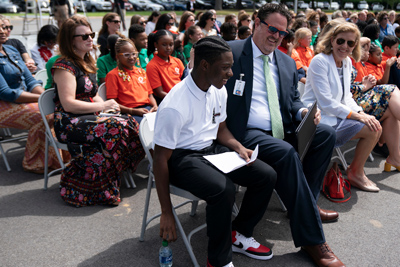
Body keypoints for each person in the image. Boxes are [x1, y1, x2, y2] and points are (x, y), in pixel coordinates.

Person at [225, 4, 344, 267]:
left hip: (281, 129)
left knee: (325, 133)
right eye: (272, 29)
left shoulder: (286, 62)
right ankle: (313, 240)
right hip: (245, 133)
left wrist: (303, 111)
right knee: (286, 152)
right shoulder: (231, 52)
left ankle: (305, 204)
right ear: (257, 23)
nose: (277, 36)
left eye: (282, 32)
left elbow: (291, 101)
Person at [153, 36, 277, 267]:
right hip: (181, 158)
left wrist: (239, 147)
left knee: (265, 174)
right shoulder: (174, 105)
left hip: (210, 150)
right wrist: (166, 211)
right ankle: (218, 261)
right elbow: (160, 158)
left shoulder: (217, 88)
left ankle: (238, 233)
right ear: (205, 66)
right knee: (223, 189)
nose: (230, 73)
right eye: (226, 68)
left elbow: (221, 130)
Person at [52, 15, 145, 207]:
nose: (90, 39)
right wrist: (103, 107)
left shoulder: (84, 63)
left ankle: (105, 180)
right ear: (71, 41)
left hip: (88, 118)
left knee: (127, 122)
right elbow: (68, 104)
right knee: (115, 128)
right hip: (70, 122)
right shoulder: (64, 67)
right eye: (84, 36)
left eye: (91, 34)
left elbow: (94, 96)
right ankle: (83, 178)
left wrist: (108, 108)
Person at [302, 21, 381, 192]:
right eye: (340, 41)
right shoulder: (319, 61)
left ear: (354, 46)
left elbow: (346, 97)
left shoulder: (346, 63)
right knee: (372, 127)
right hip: (319, 120)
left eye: (350, 43)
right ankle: (355, 173)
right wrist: (359, 116)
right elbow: (326, 103)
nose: (345, 46)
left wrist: (362, 112)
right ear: (332, 40)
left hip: (336, 117)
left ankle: (356, 172)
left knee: (374, 125)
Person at [0, 20, 62, 173]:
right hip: (5, 104)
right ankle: (36, 162)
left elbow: (30, 80)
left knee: (56, 108)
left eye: (3, 27)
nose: (2, 31)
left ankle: (55, 158)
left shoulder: (10, 50)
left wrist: (46, 97)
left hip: (24, 99)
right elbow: (6, 93)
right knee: (45, 114)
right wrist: (41, 100)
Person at [351, 37, 400, 169]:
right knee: (391, 89)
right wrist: (365, 86)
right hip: (354, 105)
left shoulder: (363, 64)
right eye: (364, 50)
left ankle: (395, 158)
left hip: (365, 100)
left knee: (390, 111)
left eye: (368, 50)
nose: (367, 53)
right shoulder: (352, 60)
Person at [105, 38, 157, 123]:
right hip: (129, 112)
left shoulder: (141, 72)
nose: (131, 57)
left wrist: (154, 106)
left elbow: (150, 95)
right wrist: (133, 111)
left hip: (147, 109)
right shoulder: (113, 75)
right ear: (117, 56)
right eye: (126, 55)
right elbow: (112, 103)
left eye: (134, 54)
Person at [146, 30, 184, 103]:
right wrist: (178, 99)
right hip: (167, 101)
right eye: (164, 44)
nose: (168, 48)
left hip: (181, 97)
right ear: (156, 45)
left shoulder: (177, 61)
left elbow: (185, 81)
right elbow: (159, 92)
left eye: (171, 44)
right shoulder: (152, 66)